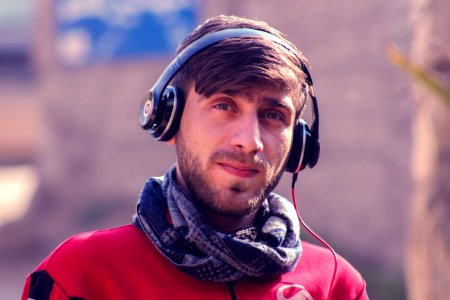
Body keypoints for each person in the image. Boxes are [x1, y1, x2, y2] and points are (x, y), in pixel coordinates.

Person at [22, 15, 368, 300]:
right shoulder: (83, 274)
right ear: (168, 119)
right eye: (223, 106)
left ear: (299, 146)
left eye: (273, 115)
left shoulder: (336, 286)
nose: (249, 141)